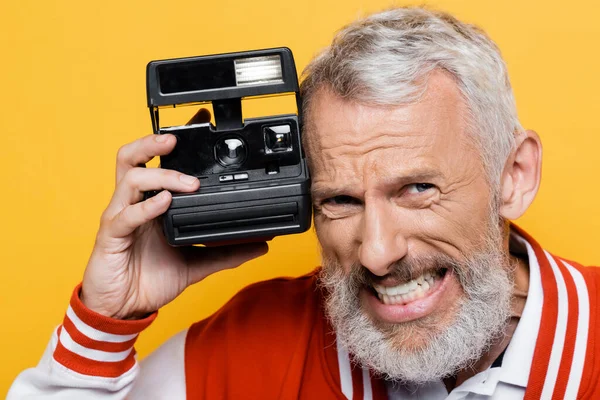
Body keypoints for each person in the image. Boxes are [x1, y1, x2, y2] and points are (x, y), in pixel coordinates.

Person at [8, 6, 600, 400]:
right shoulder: (251, 344)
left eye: (417, 189)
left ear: (514, 174)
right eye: (339, 200)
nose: (377, 252)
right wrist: (106, 321)